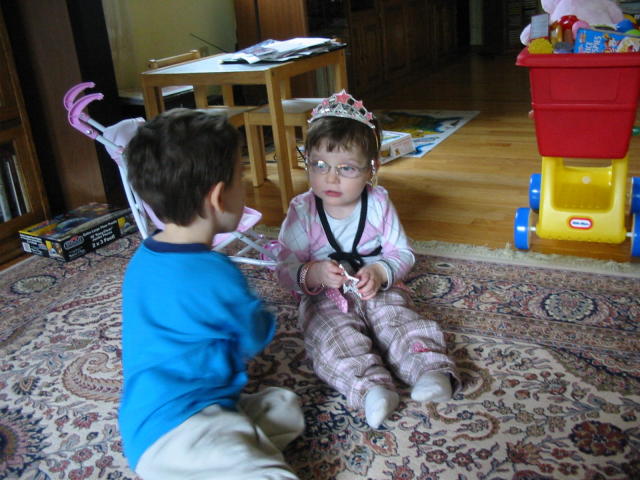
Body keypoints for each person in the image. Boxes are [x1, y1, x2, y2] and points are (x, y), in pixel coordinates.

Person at [119, 109, 304, 480]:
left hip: (145, 423)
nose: (245, 186)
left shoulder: (143, 257)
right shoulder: (215, 273)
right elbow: (255, 334)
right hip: (183, 428)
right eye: (242, 178)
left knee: (284, 407)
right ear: (219, 197)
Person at [276, 91, 461, 429]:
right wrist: (314, 273)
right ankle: (371, 389)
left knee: (399, 320)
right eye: (319, 165)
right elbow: (284, 270)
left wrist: (380, 270)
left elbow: (402, 253)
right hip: (325, 297)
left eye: (346, 168)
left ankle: (431, 371)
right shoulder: (302, 210)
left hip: (376, 286)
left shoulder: (377, 203)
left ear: (371, 169)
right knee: (332, 337)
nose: (331, 178)